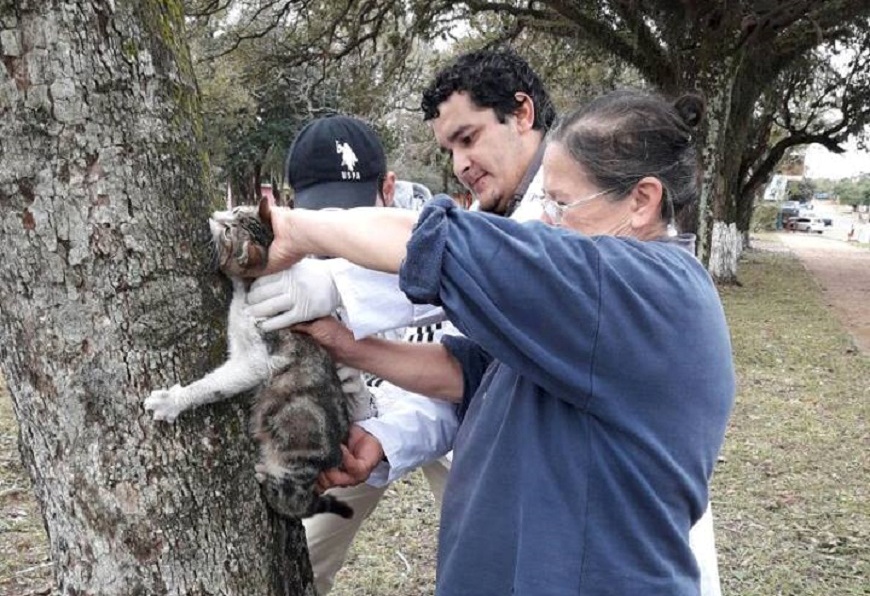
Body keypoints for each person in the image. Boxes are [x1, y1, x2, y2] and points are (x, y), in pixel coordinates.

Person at [249, 49, 725, 595]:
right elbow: (480, 376)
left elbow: (442, 242)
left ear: (641, 201)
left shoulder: (641, 290)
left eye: (562, 203)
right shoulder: (590, 299)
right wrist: (344, 344)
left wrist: (298, 232)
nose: (547, 221)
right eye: (544, 202)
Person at [256, 114, 457, 595]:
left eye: (350, 211)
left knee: (488, 535)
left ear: (387, 189)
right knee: (303, 552)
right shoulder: (289, 259)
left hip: (448, 401)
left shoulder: (437, 238)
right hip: (354, 424)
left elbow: (456, 367)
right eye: (324, 217)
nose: (336, 233)